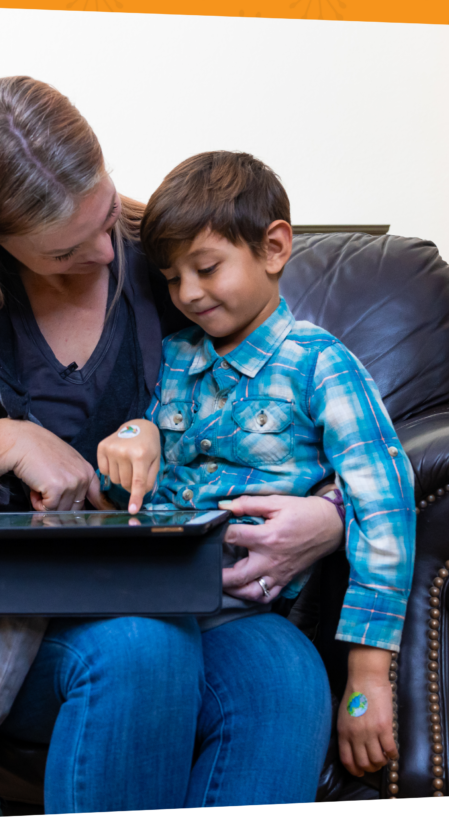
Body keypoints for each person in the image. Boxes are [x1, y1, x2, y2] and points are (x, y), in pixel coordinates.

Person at [0, 77, 345, 830]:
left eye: (102, 210)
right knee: (140, 654)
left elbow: (307, 395)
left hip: (167, 583)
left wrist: (331, 514)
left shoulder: (169, 261)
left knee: (284, 672)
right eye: (64, 249)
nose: (104, 251)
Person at [98, 150, 416, 782]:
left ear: (273, 248)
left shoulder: (320, 364)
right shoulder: (171, 358)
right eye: (172, 277)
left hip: (247, 606)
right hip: (142, 587)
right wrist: (133, 435)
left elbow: (385, 507)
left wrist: (366, 678)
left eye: (207, 267)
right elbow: (130, 479)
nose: (188, 293)